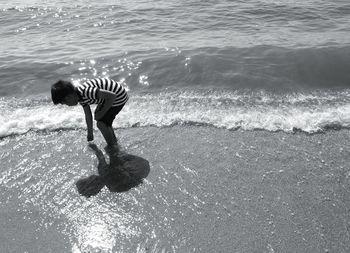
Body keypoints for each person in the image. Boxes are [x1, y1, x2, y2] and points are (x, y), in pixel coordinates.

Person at [51, 77, 128, 149]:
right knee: (103, 119)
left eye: (65, 103)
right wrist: (90, 132)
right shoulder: (79, 96)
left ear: (69, 96)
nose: (67, 105)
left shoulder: (86, 92)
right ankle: (114, 141)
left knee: (101, 123)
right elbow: (88, 115)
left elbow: (112, 96)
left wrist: (102, 113)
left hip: (118, 97)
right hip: (108, 98)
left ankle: (112, 146)